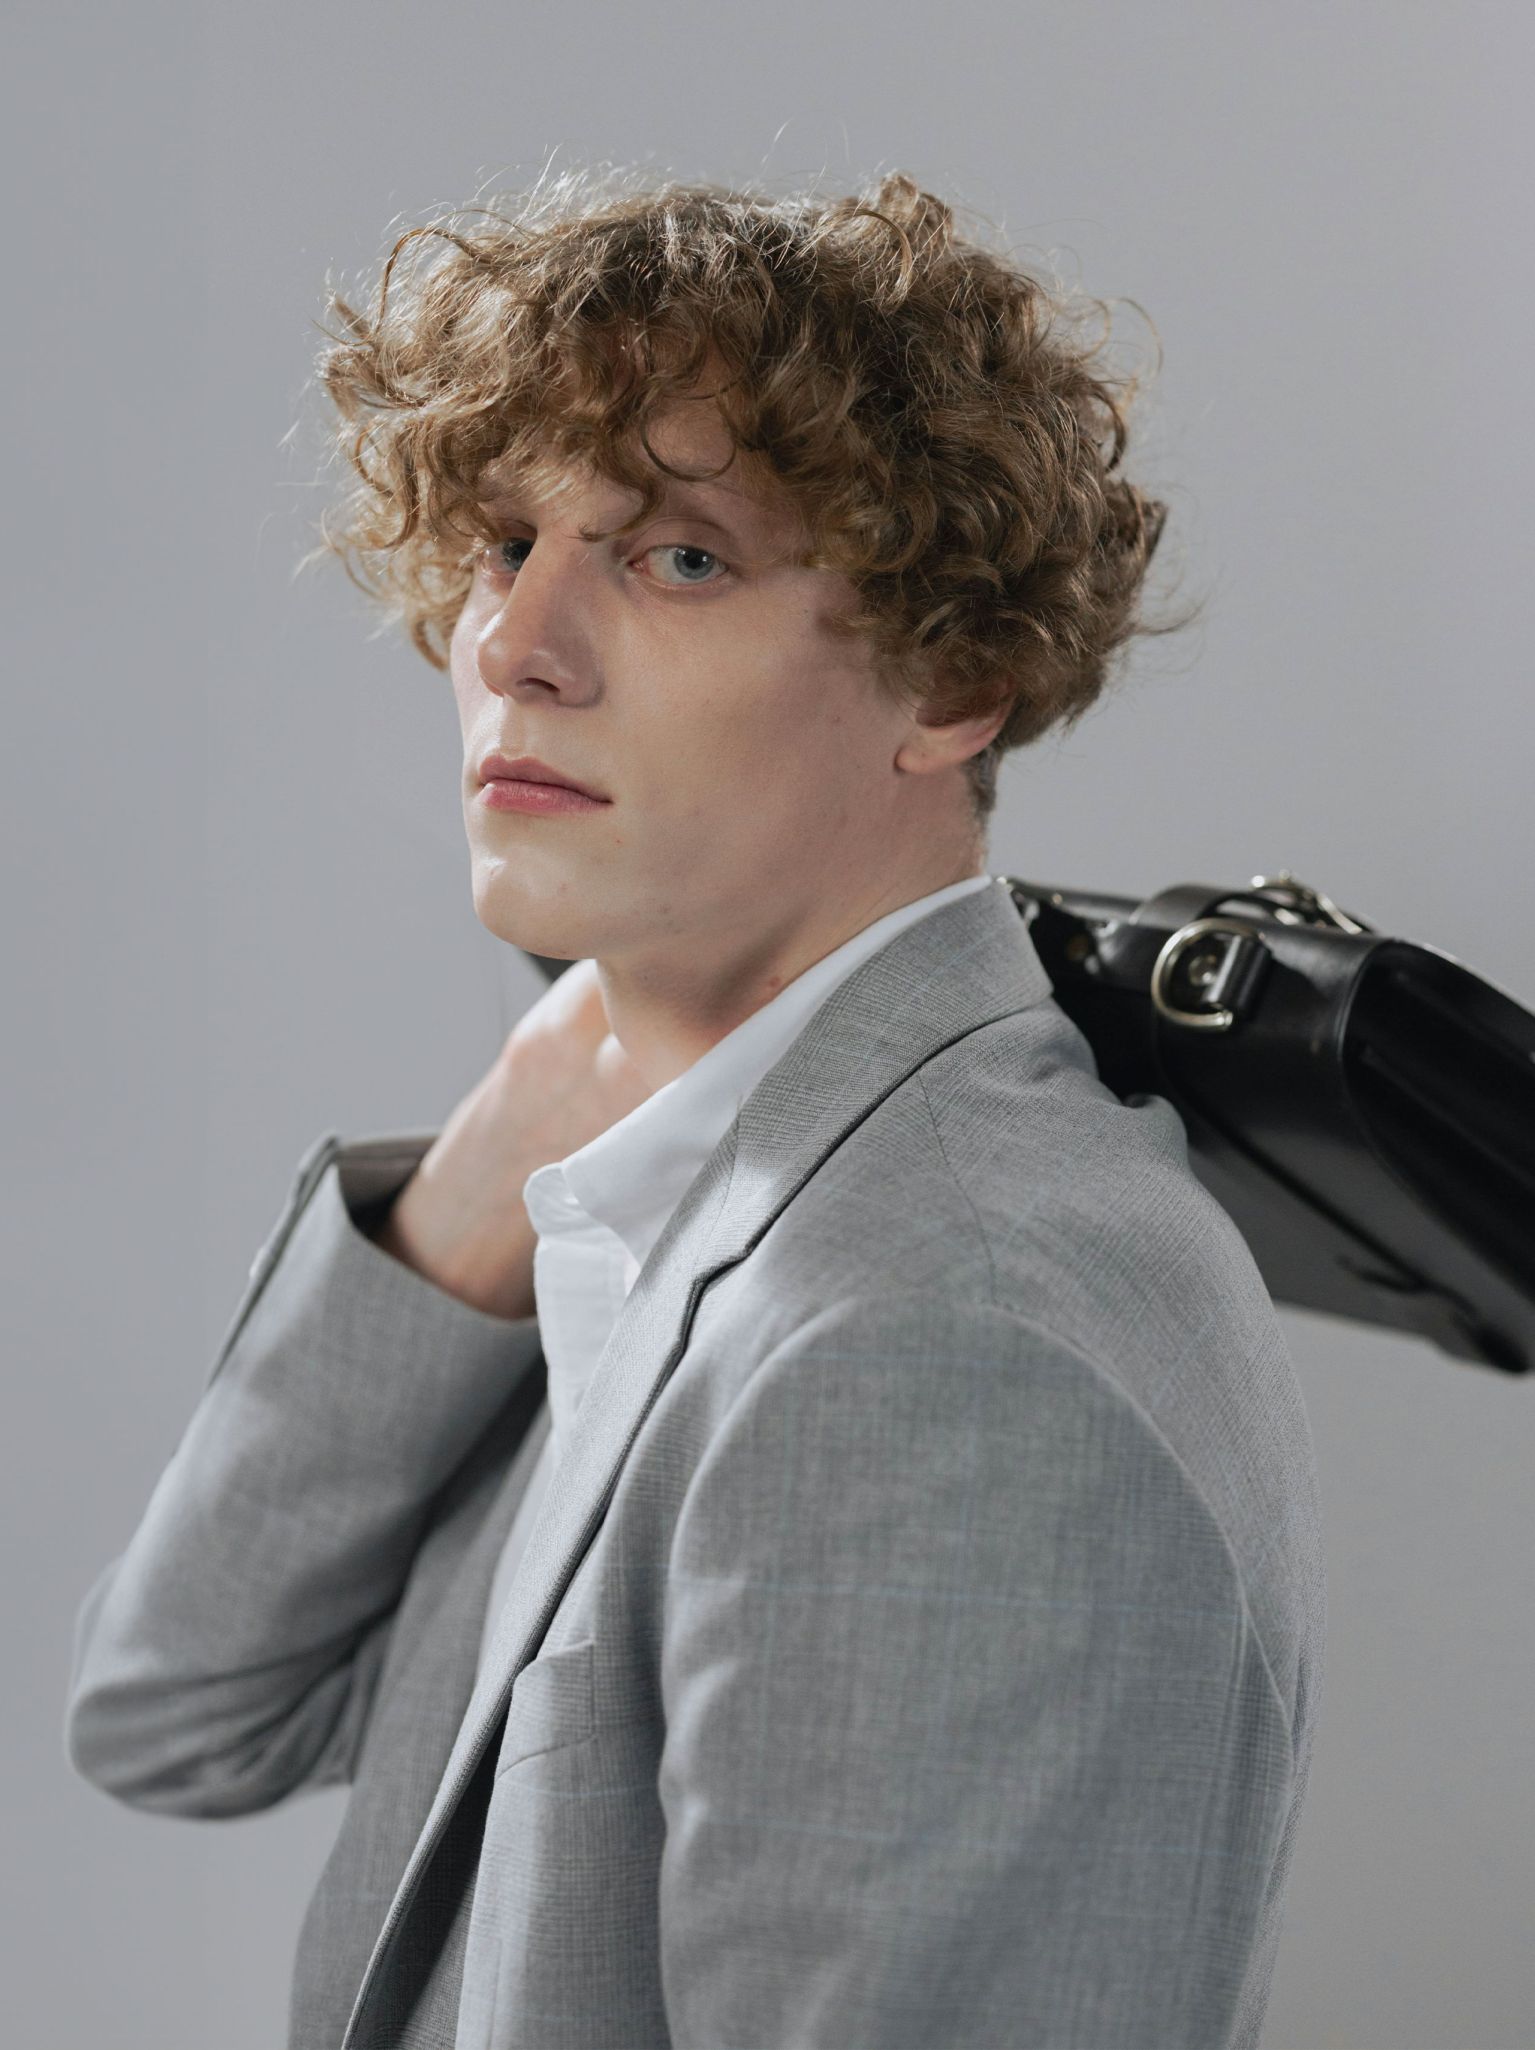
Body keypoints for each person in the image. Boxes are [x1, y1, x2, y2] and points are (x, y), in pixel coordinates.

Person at [63, 166, 1326, 2050]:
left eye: (675, 559)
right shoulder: (693, 1186)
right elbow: (177, 1708)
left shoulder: (945, 1337)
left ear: (954, 677)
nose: (517, 642)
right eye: (505, 542)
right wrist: (481, 1180)